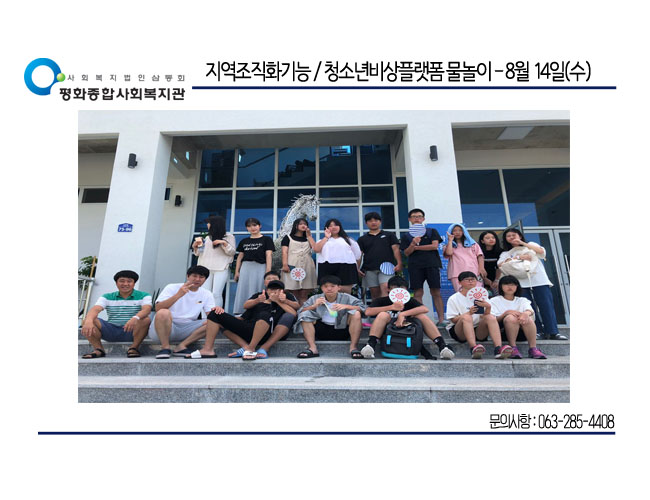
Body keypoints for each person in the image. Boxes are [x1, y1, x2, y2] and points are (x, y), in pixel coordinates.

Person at [176, 271, 300, 359]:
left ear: (282, 289)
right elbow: (244, 311)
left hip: (269, 332)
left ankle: (251, 348)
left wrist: (279, 301)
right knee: (215, 314)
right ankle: (208, 349)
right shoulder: (259, 296)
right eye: (270, 285)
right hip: (249, 329)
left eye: (276, 287)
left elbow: (294, 313)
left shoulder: (286, 296)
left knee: (264, 315)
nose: (273, 290)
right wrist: (225, 318)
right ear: (266, 287)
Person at [359, 276, 454, 360]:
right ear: (388, 289)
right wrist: (391, 307)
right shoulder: (382, 300)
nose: (398, 291)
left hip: (407, 329)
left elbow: (424, 309)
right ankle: (370, 345)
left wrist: (403, 314)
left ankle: (442, 346)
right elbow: (368, 312)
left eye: (402, 289)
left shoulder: (409, 301)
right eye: (395, 288)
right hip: (388, 330)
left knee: (421, 316)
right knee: (383, 315)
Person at [498, 228, 567, 340]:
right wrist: (518, 257)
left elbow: (541, 252)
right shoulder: (506, 253)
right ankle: (537, 331)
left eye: (514, 235)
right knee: (528, 308)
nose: (511, 237)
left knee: (546, 305)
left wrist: (522, 243)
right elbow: (500, 264)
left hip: (539, 280)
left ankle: (553, 332)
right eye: (508, 236)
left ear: (520, 235)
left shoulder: (531, 245)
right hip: (520, 282)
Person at [81, 270, 152, 359]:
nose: (125, 284)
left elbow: (147, 309)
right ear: (116, 283)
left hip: (132, 331)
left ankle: (134, 348)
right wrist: (88, 321)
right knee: (89, 320)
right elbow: (95, 309)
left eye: (129, 281)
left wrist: (135, 318)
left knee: (145, 319)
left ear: (134, 283)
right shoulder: (107, 296)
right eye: (122, 281)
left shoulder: (144, 295)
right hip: (111, 330)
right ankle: (99, 349)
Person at [148, 265, 215, 359]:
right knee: (163, 312)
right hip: (166, 328)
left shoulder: (206, 293)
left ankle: (181, 346)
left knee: (215, 321)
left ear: (205, 279)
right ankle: (165, 347)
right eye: (194, 276)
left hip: (188, 329)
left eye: (201, 277)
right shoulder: (172, 287)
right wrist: (179, 295)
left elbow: (210, 315)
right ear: (188, 276)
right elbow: (158, 308)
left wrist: (216, 313)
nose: (197, 279)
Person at [445, 271, 513, 359]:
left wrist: (488, 307)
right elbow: (453, 319)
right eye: (467, 279)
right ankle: (473, 348)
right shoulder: (454, 298)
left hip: (478, 329)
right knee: (466, 317)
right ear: (460, 282)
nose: (470, 282)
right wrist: (469, 313)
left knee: (490, 317)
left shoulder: (481, 296)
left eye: (473, 279)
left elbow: (485, 316)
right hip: (460, 331)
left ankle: (498, 349)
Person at [295, 275, 365, 359]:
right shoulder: (315, 298)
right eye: (325, 286)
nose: (329, 289)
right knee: (305, 314)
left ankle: (353, 347)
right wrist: (314, 305)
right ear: (321, 288)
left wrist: (346, 306)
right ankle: (313, 348)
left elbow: (363, 309)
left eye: (332, 286)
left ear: (339, 287)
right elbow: (300, 312)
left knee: (356, 313)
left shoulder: (347, 297)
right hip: (321, 330)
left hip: (342, 329)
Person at [399, 208, 446, 325]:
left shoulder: (431, 231)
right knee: (418, 293)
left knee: (436, 292)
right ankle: (420, 319)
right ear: (409, 219)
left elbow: (434, 246)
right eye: (414, 217)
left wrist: (416, 248)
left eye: (419, 216)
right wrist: (413, 243)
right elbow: (406, 253)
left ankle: (441, 320)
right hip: (415, 266)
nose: (417, 219)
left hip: (432, 264)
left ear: (423, 218)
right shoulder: (406, 236)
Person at [489, 275, 547, 359]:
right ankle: (513, 347)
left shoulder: (522, 300)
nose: (510, 287)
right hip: (502, 333)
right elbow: (492, 320)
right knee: (511, 318)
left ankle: (533, 348)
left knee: (528, 318)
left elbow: (530, 310)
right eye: (506, 284)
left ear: (517, 286)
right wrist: (506, 313)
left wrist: (525, 314)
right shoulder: (494, 301)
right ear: (501, 286)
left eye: (513, 284)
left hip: (523, 333)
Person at [191, 215, 236, 308]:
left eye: (209, 223)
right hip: (205, 268)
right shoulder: (207, 238)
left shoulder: (229, 236)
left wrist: (224, 243)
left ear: (215, 224)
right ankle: (204, 315)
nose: (207, 225)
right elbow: (199, 253)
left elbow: (231, 252)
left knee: (216, 293)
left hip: (221, 268)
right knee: (205, 293)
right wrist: (195, 247)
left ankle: (216, 315)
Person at [232, 217, 275, 315]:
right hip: (246, 267)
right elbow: (240, 257)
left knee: (259, 288)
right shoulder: (244, 241)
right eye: (249, 226)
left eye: (255, 225)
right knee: (244, 288)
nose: (252, 228)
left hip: (261, 267)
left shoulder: (267, 239)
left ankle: (259, 312)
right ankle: (241, 312)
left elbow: (269, 255)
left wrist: (268, 271)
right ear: (246, 228)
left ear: (260, 226)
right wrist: (237, 272)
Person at [357, 212, 402, 299]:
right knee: (374, 293)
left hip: (387, 267)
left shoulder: (390, 235)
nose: (373, 222)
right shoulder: (362, 239)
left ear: (380, 222)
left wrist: (399, 263)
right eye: (370, 221)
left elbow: (396, 249)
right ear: (366, 223)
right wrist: (357, 268)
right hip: (369, 268)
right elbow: (359, 255)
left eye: (376, 220)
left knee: (386, 289)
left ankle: (386, 308)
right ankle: (377, 308)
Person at [313, 218, 362, 294]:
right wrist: (326, 237)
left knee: (345, 292)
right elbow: (316, 249)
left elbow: (357, 255)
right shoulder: (322, 240)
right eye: (330, 226)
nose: (333, 227)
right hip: (327, 267)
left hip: (346, 267)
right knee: (329, 291)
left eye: (336, 225)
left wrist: (357, 268)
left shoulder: (349, 240)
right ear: (326, 228)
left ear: (340, 227)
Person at [281, 217, 317, 305]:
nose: (303, 225)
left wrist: (309, 236)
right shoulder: (288, 238)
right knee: (293, 290)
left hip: (307, 265)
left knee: (304, 292)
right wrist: (285, 264)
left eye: (305, 224)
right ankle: (294, 310)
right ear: (296, 226)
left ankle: (304, 311)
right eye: (301, 224)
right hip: (292, 264)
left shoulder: (308, 239)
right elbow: (284, 252)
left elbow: (315, 248)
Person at [444, 223, 485, 292]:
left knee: (476, 293)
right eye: (454, 230)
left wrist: (481, 268)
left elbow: (480, 256)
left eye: (460, 230)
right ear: (451, 232)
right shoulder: (448, 245)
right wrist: (450, 241)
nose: (457, 232)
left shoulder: (473, 244)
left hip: (474, 272)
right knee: (461, 294)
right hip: (456, 274)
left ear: (464, 231)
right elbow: (448, 253)